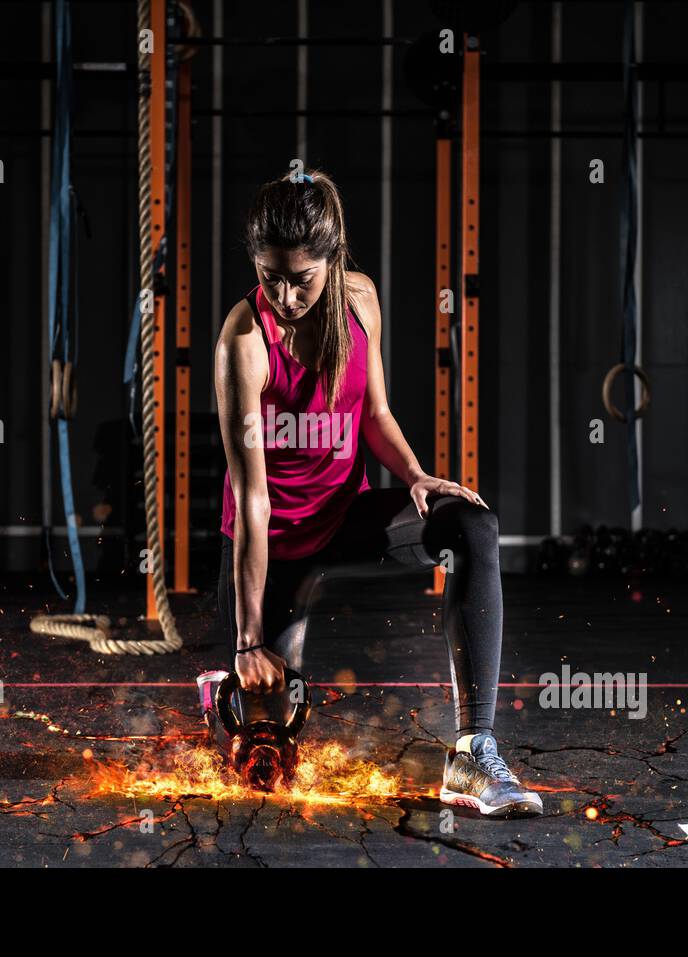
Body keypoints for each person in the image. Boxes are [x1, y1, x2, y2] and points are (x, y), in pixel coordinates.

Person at [212, 169, 542, 817]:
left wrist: (417, 476)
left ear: (333, 263)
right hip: (271, 543)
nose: (283, 294)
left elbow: (375, 412)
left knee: (473, 523)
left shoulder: (361, 301)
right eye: (269, 275)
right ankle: (233, 683)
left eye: (300, 278)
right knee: (265, 768)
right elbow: (252, 500)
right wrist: (250, 638)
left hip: (342, 517)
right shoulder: (242, 344)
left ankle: (473, 752)